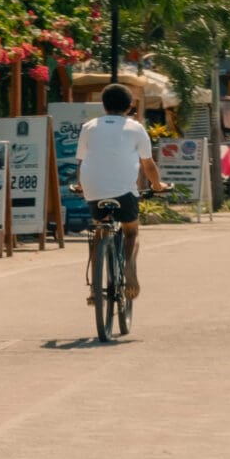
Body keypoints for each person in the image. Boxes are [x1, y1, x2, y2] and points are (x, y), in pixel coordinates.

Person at [75, 83, 163, 304]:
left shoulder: (89, 127)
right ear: (129, 106)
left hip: (93, 189)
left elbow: (83, 162)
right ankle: (129, 268)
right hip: (124, 193)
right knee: (131, 231)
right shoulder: (136, 128)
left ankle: (95, 289)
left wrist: (81, 186)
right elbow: (148, 165)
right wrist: (158, 185)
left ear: (103, 105)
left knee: (99, 231)